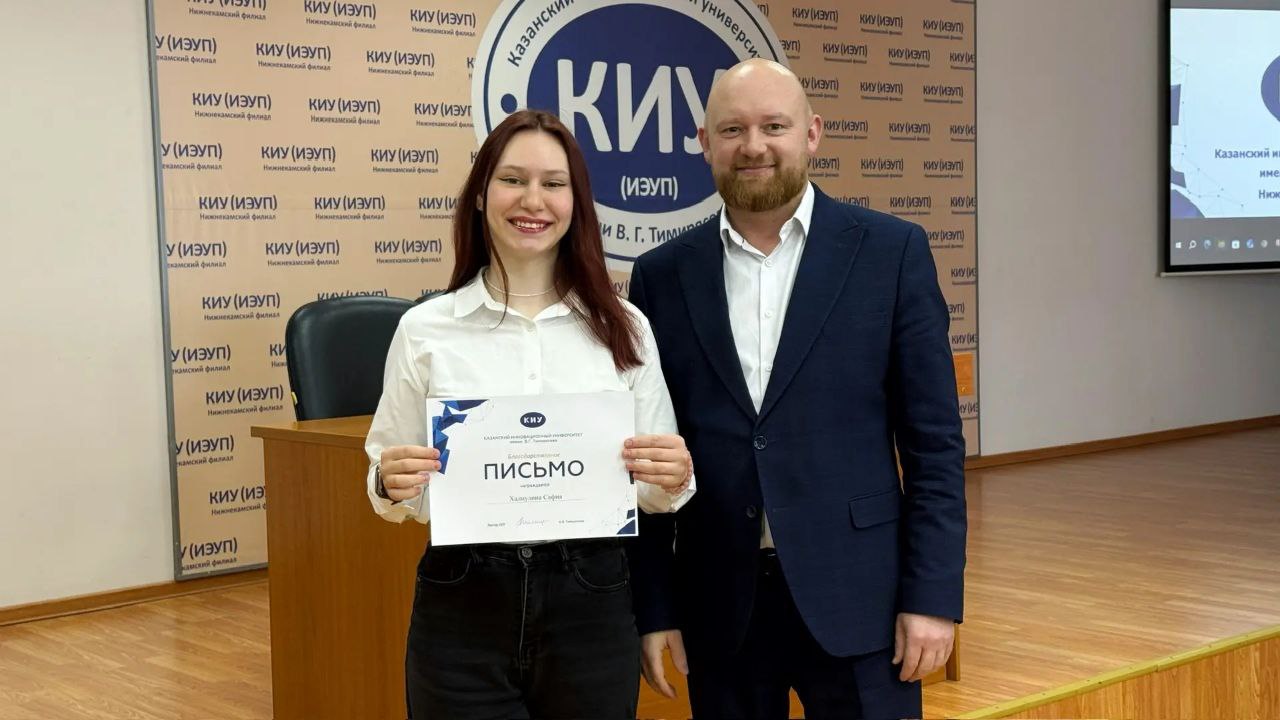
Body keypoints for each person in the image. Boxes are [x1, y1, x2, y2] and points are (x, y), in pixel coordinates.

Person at [627, 59, 967, 719]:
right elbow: (647, 456)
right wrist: (655, 607)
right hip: (720, 605)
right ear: (704, 142)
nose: (753, 146)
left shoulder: (891, 253)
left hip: (863, 601)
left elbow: (934, 447)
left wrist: (932, 596)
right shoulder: (661, 275)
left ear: (811, 134)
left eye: (773, 126)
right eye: (733, 129)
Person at [364, 109, 695, 720]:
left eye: (554, 183)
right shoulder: (425, 330)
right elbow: (389, 477)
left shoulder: (626, 328)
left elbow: (655, 492)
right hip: (462, 597)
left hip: (592, 596)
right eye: (513, 180)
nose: (533, 200)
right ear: (481, 194)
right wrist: (389, 480)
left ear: (577, 203)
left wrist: (674, 475)